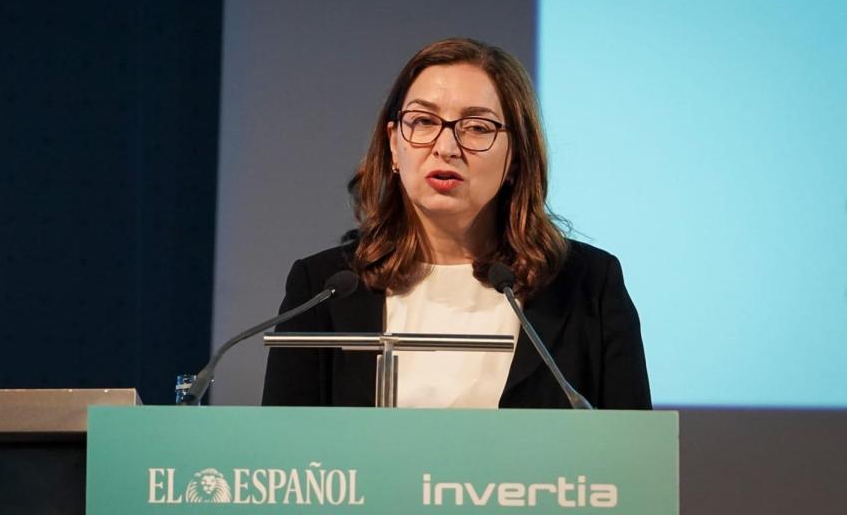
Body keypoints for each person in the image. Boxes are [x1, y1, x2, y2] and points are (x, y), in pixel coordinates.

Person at [262, 38, 650, 409]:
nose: (445, 148)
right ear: (394, 144)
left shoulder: (587, 287)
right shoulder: (324, 289)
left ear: (516, 157)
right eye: (423, 121)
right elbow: (282, 460)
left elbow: (633, 454)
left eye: (477, 127)